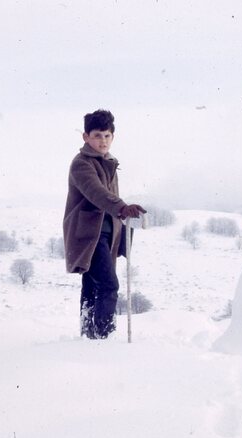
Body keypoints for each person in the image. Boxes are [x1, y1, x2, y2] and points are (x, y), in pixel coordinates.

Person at [63, 109, 146, 339]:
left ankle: (88, 335)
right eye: (97, 135)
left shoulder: (107, 162)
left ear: (113, 137)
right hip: (89, 236)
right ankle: (103, 337)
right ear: (86, 137)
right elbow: (96, 193)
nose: (103, 141)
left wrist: (122, 217)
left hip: (107, 235)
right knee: (109, 285)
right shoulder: (81, 164)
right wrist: (122, 207)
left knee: (93, 286)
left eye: (107, 135)